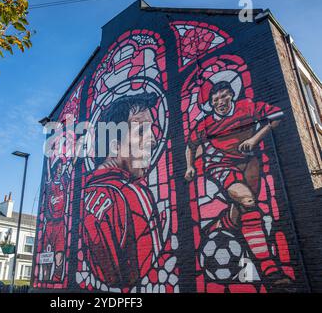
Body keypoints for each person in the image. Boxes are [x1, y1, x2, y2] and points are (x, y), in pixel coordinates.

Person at [184, 81, 290, 286]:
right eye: (215, 100)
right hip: (220, 164)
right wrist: (189, 166)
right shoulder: (206, 124)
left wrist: (256, 138)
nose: (220, 102)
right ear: (211, 104)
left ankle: (222, 224)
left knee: (242, 208)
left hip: (249, 162)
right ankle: (269, 268)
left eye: (223, 96)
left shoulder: (247, 107)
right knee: (248, 200)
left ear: (232, 95)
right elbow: (191, 145)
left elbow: (276, 115)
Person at [82, 92, 165, 289]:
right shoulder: (131, 194)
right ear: (114, 145)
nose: (153, 140)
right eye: (142, 130)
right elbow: (150, 273)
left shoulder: (85, 194)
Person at [42, 158, 69, 282]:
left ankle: (57, 280)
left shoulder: (64, 181)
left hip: (60, 225)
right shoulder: (49, 183)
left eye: (61, 167)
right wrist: (48, 155)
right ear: (53, 170)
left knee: (59, 256)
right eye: (57, 168)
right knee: (46, 258)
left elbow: (72, 163)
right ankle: (46, 279)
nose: (59, 169)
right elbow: (47, 170)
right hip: (49, 226)